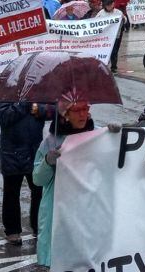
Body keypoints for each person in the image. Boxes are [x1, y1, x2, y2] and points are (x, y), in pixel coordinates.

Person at [33, 93, 95, 268]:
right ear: (65, 114)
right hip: (59, 214)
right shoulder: (51, 142)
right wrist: (48, 161)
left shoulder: (97, 134)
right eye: (77, 110)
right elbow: (37, 179)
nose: (83, 114)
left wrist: (115, 137)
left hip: (88, 212)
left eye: (86, 109)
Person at [0, 101, 53, 245]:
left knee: (38, 190)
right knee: (11, 192)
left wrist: (38, 108)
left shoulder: (38, 88)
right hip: (11, 151)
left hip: (35, 150)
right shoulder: (7, 91)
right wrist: (25, 104)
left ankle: (38, 226)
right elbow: (5, 117)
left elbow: (55, 109)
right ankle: (12, 230)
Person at [94, 0, 124, 73]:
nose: (109, 7)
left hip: (116, 36)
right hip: (105, 37)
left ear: (113, 4)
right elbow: (94, 22)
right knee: (105, 51)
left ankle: (114, 66)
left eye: (110, 5)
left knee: (114, 51)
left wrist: (123, 18)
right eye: (107, 6)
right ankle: (105, 65)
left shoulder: (118, 12)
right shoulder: (101, 13)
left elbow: (125, 21)